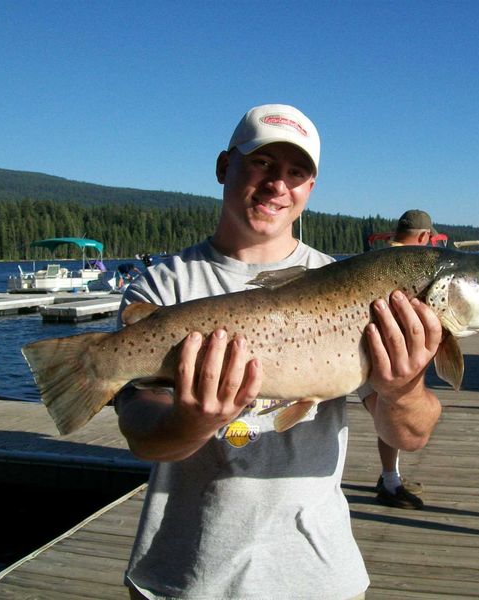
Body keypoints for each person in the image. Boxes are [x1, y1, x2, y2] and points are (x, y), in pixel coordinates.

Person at [115, 104, 443, 599]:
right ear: (225, 167)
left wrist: (404, 388)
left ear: (310, 189)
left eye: (295, 172)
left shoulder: (354, 285)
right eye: (262, 164)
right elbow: (144, 435)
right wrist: (193, 421)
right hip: (186, 577)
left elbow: (411, 435)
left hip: (318, 575)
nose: (277, 185)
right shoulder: (163, 288)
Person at [370, 209, 435, 509]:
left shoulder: (381, 258)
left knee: (387, 414)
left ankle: (391, 475)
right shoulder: (412, 266)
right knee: (388, 413)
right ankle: (390, 481)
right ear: (424, 237)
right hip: (376, 358)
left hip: (370, 352)